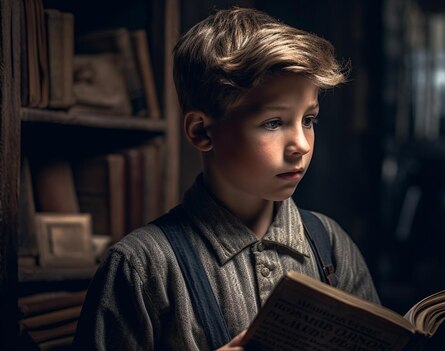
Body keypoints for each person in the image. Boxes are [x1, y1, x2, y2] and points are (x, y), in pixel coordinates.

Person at [73, 6, 380, 350]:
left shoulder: (332, 247)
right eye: (273, 123)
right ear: (202, 131)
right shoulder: (140, 268)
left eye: (309, 120)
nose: (300, 145)